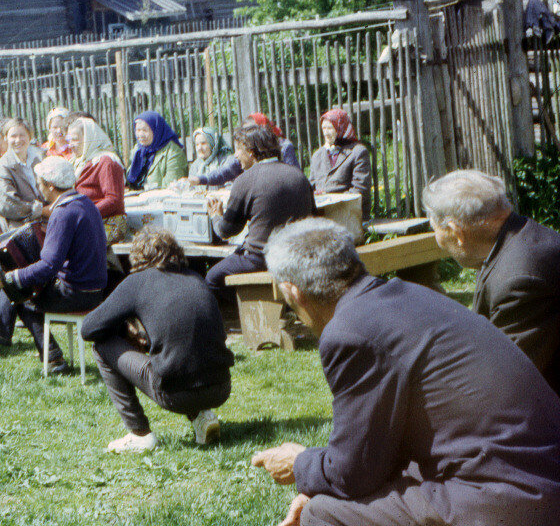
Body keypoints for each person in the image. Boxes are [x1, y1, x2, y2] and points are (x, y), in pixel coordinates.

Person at [253, 217, 560, 526]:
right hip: (538, 474)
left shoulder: (350, 332)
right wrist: (323, 484)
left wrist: (300, 465)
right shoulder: (409, 296)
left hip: (512, 500)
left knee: (321, 516)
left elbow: (352, 473)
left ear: (292, 290)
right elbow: (377, 453)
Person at [81, 230, 234, 453]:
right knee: (184, 352)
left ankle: (139, 433)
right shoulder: (196, 278)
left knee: (102, 346)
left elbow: (89, 328)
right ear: (176, 253)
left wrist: (124, 329)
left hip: (176, 395)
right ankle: (202, 415)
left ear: (138, 257)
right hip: (221, 387)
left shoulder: (138, 282)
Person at [0, 156, 107, 371]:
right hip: (93, 289)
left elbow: (48, 266)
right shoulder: (85, 203)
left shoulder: (63, 213)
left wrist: (7, 278)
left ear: (50, 186)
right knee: (16, 288)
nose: (39, 187)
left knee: (18, 294)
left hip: (76, 293)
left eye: (40, 183)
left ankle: (49, 357)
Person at [423, 170, 560, 394]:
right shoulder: (515, 236)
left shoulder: (519, 278)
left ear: (456, 232)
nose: (436, 238)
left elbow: (506, 380)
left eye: (434, 228)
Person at [204, 124, 314, 307]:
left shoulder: (245, 181)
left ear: (251, 151)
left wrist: (216, 215)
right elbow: (313, 214)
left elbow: (226, 231)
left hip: (261, 258)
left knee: (211, 279)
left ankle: (255, 307)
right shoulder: (299, 176)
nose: (236, 155)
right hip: (298, 254)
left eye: (238, 149)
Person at [189, 112, 299, 187]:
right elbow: (225, 171)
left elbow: (294, 179)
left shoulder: (284, 147)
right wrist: (199, 179)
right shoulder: (245, 151)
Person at [69, 117, 127, 244]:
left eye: (75, 140)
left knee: (74, 245)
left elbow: (113, 199)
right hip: (86, 221)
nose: (71, 145)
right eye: (70, 140)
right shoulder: (78, 162)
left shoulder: (106, 161)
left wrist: (85, 214)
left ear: (89, 138)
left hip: (107, 222)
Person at [309, 109, 372, 220]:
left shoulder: (358, 152)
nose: (325, 133)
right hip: (321, 216)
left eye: (330, 128)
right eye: (323, 128)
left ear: (340, 128)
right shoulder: (317, 156)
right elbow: (311, 187)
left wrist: (331, 201)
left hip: (349, 214)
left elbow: (360, 190)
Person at [0, 118, 47, 231]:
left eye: (22, 135)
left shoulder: (40, 159)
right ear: (6, 138)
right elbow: (7, 204)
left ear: (29, 137)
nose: (18, 140)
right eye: (13, 136)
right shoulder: (2, 167)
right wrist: (39, 210)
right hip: (20, 228)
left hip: (44, 222)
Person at [125, 111, 187, 190]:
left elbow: (172, 186)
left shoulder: (173, 152)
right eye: (138, 130)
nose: (140, 135)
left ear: (156, 130)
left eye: (145, 130)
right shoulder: (137, 150)